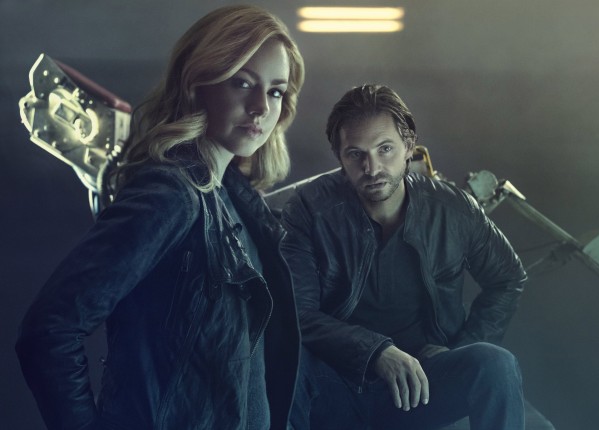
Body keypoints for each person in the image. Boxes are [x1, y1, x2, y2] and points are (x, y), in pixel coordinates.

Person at [16, 5, 304, 430]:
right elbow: (50, 330)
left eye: (276, 91)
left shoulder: (236, 202)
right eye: (242, 82)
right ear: (198, 83)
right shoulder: (172, 195)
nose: (261, 106)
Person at [282, 84, 528, 430]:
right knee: (282, 361)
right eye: (355, 154)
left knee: (495, 364)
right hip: (338, 385)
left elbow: (507, 277)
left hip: (422, 384)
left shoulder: (453, 208)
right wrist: (376, 352)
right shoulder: (309, 209)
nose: (372, 168)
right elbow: (297, 313)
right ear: (339, 157)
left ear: (409, 146)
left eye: (385, 149)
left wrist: (461, 347)